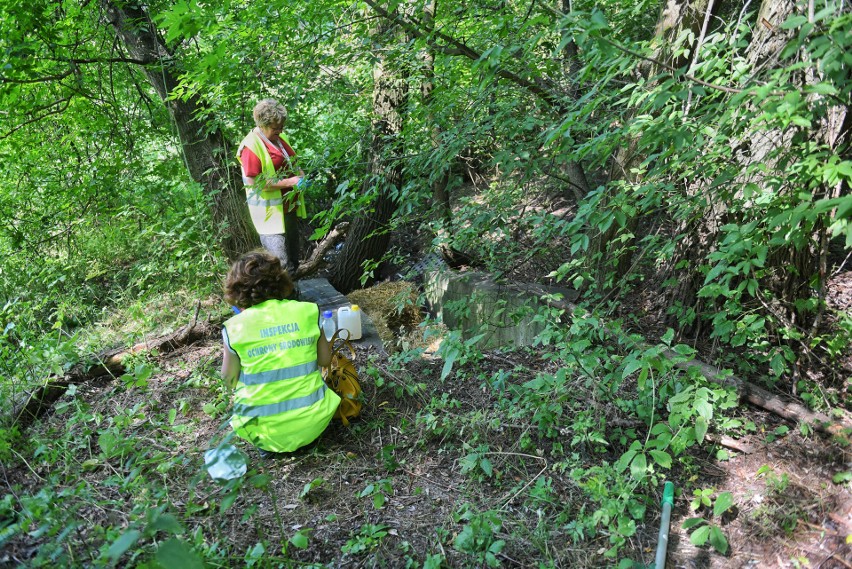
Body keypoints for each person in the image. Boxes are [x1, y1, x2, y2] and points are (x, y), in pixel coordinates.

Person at [221, 250, 340, 453]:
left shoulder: (234, 327)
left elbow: (228, 379)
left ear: (237, 289)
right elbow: (325, 359)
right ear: (280, 280)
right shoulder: (308, 311)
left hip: (260, 433)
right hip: (313, 424)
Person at [237, 98, 306, 274]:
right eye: (276, 128)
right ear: (262, 125)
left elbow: (292, 162)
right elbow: (255, 183)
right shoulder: (251, 146)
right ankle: (281, 299)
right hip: (269, 216)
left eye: (282, 126)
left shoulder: (280, 137)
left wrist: (301, 175)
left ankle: (294, 297)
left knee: (292, 261)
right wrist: (290, 182)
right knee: (279, 264)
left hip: (287, 208)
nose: (281, 131)